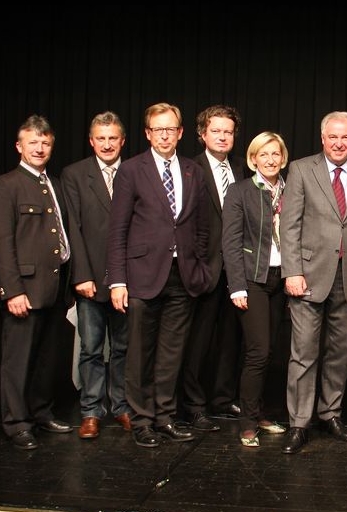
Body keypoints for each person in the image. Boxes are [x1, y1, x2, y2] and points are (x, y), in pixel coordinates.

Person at [106, 102, 210, 448]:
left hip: (182, 275)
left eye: (171, 129)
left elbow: (200, 226)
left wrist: (200, 268)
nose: (165, 135)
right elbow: (118, 229)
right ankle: (142, 420)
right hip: (142, 277)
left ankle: (165, 417)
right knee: (139, 353)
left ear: (180, 133)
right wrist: (118, 280)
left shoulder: (193, 170)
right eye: (158, 129)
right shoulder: (132, 170)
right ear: (148, 133)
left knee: (171, 353)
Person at [278, 111, 347, 454]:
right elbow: (289, 224)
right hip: (307, 276)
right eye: (333, 137)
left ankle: (331, 413)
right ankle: (299, 423)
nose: (339, 143)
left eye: (345, 137)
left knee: (340, 353)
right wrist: (292, 270)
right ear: (323, 139)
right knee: (303, 353)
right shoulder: (302, 169)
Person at [0, 114, 75, 451]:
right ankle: (17, 422)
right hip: (25, 289)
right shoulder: (7, 184)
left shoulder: (55, 183)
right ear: (19, 146)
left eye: (45, 143)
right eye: (33, 142)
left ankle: (41, 412)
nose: (39, 148)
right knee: (18, 360)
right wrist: (12, 289)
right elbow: (3, 242)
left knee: (47, 358)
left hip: (55, 287)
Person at [60, 111, 132, 439]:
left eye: (112, 138)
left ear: (122, 141)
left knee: (123, 348)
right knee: (90, 348)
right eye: (100, 138)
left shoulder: (134, 172)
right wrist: (81, 275)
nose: (106, 144)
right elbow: (71, 228)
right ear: (91, 141)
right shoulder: (74, 174)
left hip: (127, 280)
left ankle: (121, 406)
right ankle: (90, 410)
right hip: (89, 279)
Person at [182, 105, 249, 432]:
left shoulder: (242, 169)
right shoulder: (189, 169)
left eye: (228, 131)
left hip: (236, 271)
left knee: (230, 339)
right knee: (198, 341)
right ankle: (194, 405)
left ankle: (223, 398)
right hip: (202, 269)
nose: (222, 136)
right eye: (216, 131)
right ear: (202, 134)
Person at [222, 131, 290, 447]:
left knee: (272, 352)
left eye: (275, 153)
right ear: (253, 159)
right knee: (258, 352)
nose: (270, 159)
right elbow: (231, 242)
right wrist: (237, 285)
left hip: (282, 279)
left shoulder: (291, 190)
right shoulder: (240, 191)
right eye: (263, 154)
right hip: (252, 280)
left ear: (283, 157)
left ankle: (259, 412)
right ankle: (247, 422)